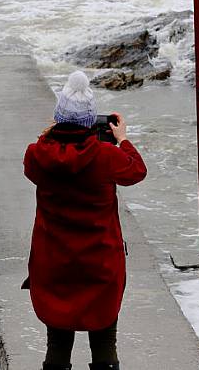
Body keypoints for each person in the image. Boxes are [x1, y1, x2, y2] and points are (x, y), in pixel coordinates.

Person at [23, 70, 147, 370]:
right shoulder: (106, 156)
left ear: (59, 119)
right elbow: (137, 171)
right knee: (104, 341)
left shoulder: (37, 154)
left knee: (58, 342)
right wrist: (123, 140)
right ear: (91, 121)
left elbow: (34, 163)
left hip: (54, 263)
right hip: (100, 262)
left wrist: (49, 133)